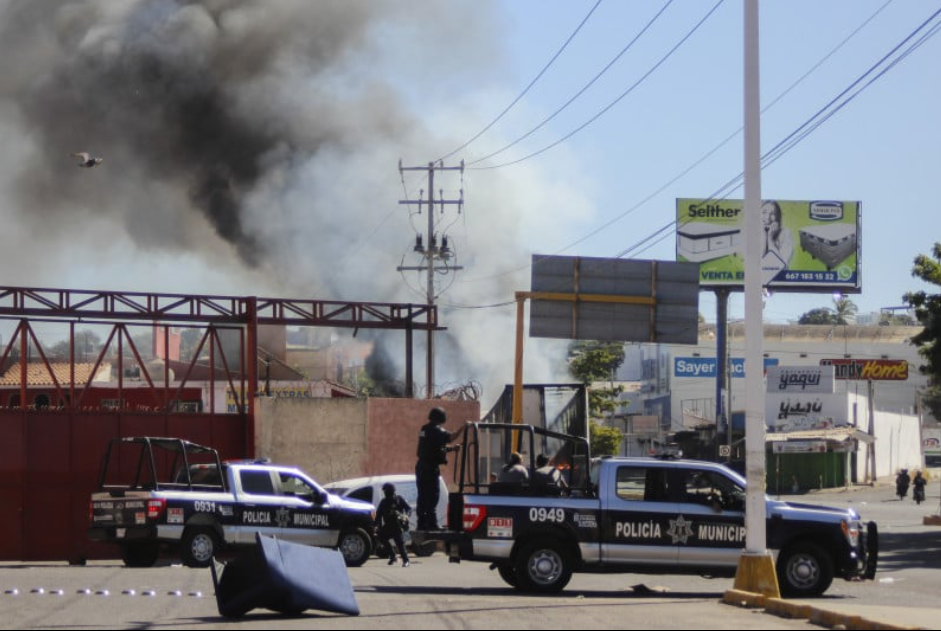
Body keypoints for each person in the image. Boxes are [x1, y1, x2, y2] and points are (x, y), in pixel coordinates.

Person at [415, 407, 464, 530]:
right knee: (433, 496)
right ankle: (432, 523)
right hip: (431, 469)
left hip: (420, 467)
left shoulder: (424, 429)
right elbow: (451, 437)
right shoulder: (439, 431)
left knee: (422, 496)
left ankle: (421, 523)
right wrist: (463, 428)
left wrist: (452, 448)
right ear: (441, 418)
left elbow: (433, 448)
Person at [375, 482, 411, 567]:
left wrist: (406, 515)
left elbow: (408, 508)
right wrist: (376, 525)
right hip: (388, 525)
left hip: (397, 525)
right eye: (384, 491)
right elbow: (378, 515)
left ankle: (406, 561)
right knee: (381, 536)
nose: (385, 493)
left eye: (386, 491)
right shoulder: (383, 502)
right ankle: (392, 555)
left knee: (399, 543)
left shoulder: (398, 499)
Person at [760, 200, 794, 268]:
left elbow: (781, 264)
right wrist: (764, 234)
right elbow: (755, 262)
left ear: (778, 217)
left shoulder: (786, 233)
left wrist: (770, 238)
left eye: (773, 214)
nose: (767, 217)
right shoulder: (750, 232)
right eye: (764, 212)